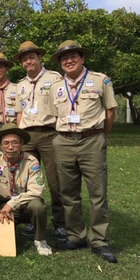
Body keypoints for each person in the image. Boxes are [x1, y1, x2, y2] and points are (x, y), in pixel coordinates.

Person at [48, 40, 118, 263]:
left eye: (73, 56)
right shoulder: (55, 87)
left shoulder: (100, 80)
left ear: (82, 58)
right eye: (64, 58)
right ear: (60, 63)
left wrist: (99, 135)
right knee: (68, 193)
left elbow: (110, 112)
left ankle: (99, 240)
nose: (69, 61)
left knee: (98, 193)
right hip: (64, 142)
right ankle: (76, 236)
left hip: (91, 141)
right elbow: (55, 116)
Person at [13, 41, 67, 239]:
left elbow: (63, 105)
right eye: (24, 59)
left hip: (49, 134)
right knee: (26, 181)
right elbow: (19, 113)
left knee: (55, 180)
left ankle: (60, 223)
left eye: (32, 57)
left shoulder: (54, 78)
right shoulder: (20, 85)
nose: (28, 61)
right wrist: (20, 135)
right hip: (27, 136)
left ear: (39, 58)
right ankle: (31, 220)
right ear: (21, 63)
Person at [0, 123, 53, 256]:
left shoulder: (31, 161)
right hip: (3, 206)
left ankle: (40, 240)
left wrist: (12, 204)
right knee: (1, 242)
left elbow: (36, 191)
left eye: (15, 143)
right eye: (6, 143)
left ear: (21, 145)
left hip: (24, 205)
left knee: (38, 206)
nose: (10, 147)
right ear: (0, 145)